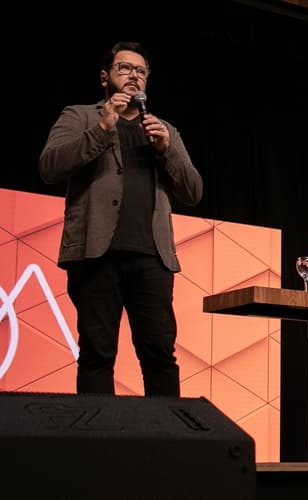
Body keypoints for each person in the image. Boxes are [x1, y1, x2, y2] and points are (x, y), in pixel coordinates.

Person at [39, 41, 203, 396]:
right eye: (125, 68)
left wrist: (167, 151)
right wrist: (102, 128)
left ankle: (166, 446)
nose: (134, 76)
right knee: (97, 354)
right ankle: (97, 446)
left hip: (151, 257)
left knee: (159, 354)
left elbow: (193, 191)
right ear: (105, 77)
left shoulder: (164, 130)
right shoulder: (81, 116)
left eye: (141, 71)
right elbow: (50, 166)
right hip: (96, 254)